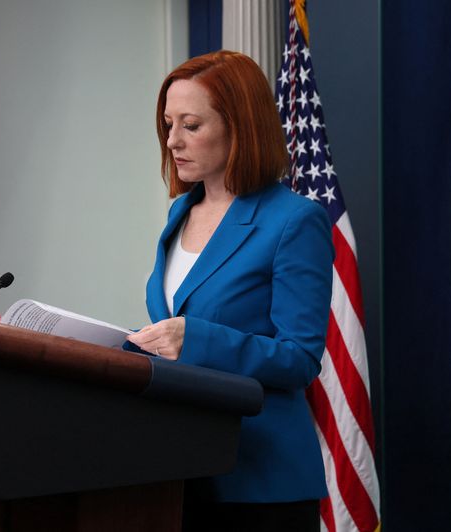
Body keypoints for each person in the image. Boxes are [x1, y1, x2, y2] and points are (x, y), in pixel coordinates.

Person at [125, 50, 334, 531]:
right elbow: (177, 322)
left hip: (260, 478)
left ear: (240, 126)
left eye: (191, 125)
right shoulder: (180, 211)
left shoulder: (294, 221)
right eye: (168, 124)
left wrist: (194, 340)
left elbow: (299, 358)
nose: (173, 140)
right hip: (179, 468)